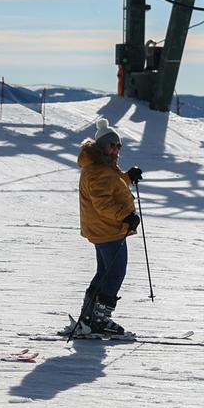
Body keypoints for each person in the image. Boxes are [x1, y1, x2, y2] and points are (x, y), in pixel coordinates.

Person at [64, 117, 143, 339]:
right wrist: (126, 216)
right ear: (101, 146)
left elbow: (113, 183)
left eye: (119, 145)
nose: (117, 149)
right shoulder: (98, 170)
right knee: (116, 273)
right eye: (112, 144)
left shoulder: (102, 166)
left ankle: (88, 317)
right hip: (109, 230)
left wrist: (128, 177)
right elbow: (103, 203)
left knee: (104, 272)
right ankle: (98, 320)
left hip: (104, 230)